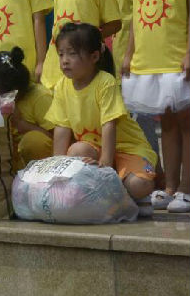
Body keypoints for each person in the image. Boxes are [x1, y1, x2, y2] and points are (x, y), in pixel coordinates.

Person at [120, 0, 190, 213]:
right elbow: (137, 13)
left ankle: (186, 188)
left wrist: (189, 52)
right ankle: (170, 186)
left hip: (178, 53)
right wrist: (129, 54)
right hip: (151, 56)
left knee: (187, 122)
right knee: (168, 123)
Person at [50, 23, 157, 215]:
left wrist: (106, 163)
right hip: (93, 149)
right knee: (77, 151)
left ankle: (128, 195)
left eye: (72, 54)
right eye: (61, 54)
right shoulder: (61, 86)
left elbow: (109, 125)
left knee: (139, 185)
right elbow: (62, 128)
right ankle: (109, 194)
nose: (64, 61)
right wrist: (57, 167)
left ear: (94, 57)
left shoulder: (105, 82)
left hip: (127, 149)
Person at [0, 47, 54, 169]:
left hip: (42, 161)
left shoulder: (40, 98)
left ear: (14, 92)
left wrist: (20, 123)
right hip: (9, 160)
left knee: (33, 141)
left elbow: (58, 139)